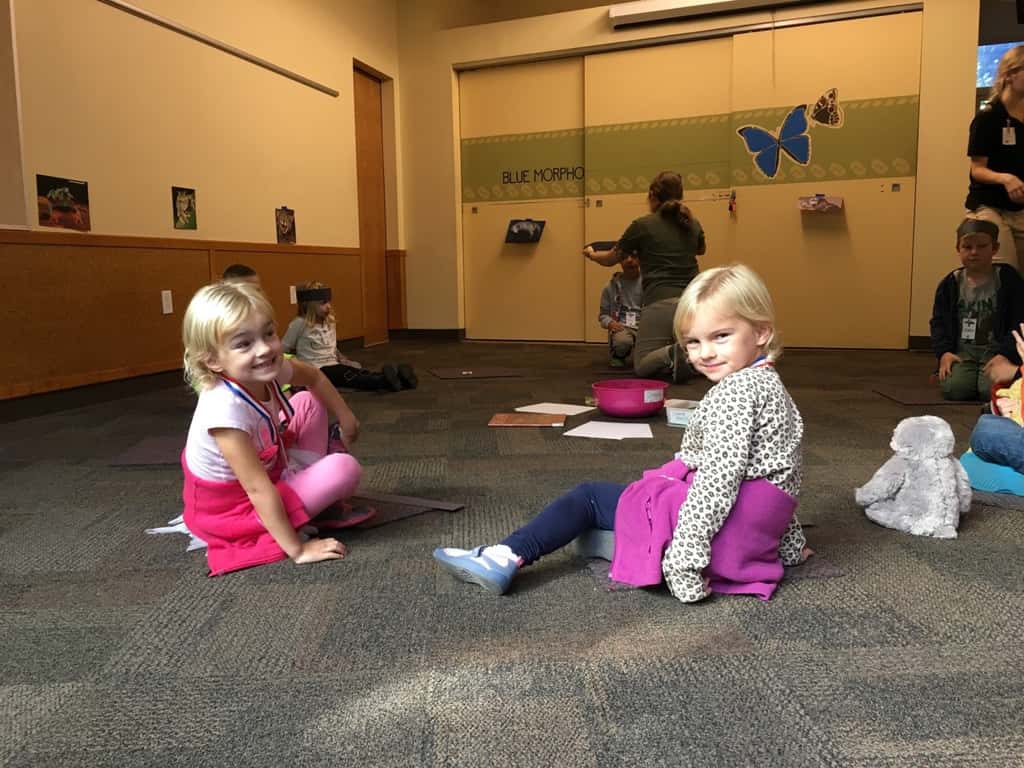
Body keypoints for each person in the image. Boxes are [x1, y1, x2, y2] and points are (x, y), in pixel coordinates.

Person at [434, 264, 811, 601]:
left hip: (724, 540)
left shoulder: (734, 394)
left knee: (590, 497)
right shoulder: (770, 385)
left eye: (721, 336)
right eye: (694, 341)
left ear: (761, 332)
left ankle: (504, 557)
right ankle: (624, 541)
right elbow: (781, 474)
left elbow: (717, 484)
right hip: (753, 536)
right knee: (625, 508)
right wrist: (790, 547)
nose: (705, 353)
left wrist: (683, 567)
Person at [181, 281, 364, 576]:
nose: (265, 349)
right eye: (244, 344)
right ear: (212, 360)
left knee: (306, 399)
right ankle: (304, 502)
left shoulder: (267, 366)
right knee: (345, 468)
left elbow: (315, 377)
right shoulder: (224, 411)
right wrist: (298, 550)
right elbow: (256, 488)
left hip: (268, 464)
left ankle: (305, 491)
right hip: (233, 508)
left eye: (268, 333)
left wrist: (346, 417)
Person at [583, 170, 706, 380]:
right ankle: (685, 353)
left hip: (660, 300)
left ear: (651, 195)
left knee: (642, 365)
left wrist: (592, 255)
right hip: (693, 303)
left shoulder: (642, 225)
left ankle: (673, 352)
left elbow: (611, 259)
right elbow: (700, 250)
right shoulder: (692, 224)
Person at [930, 218, 1024, 400]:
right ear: (958, 249)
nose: (974, 252)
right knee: (955, 389)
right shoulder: (951, 283)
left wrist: (1006, 354)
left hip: (995, 350)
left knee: (990, 390)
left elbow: (1018, 322)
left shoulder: (1008, 280)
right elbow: (938, 322)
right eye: (967, 247)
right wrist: (944, 353)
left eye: (981, 246)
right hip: (963, 351)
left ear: (994, 248)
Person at [281, 281, 418, 393]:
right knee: (348, 376)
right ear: (309, 305)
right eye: (323, 303)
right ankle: (385, 380)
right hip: (315, 369)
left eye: (329, 301)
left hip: (333, 364)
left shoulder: (330, 320)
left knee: (355, 372)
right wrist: (294, 371)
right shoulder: (299, 324)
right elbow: (283, 349)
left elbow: (331, 347)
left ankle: (397, 380)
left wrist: (342, 359)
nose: (328, 306)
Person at [966, 45, 1024, 269]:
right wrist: (1006, 179)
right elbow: (977, 169)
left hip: (1019, 208)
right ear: (1010, 74)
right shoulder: (988, 117)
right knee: (1004, 273)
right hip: (990, 206)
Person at [598, 252, 642, 368]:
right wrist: (611, 323)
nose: (629, 260)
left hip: (645, 326)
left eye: (634, 256)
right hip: (622, 327)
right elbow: (603, 316)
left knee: (647, 363)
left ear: (641, 259)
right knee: (622, 342)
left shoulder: (649, 284)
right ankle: (618, 355)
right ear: (618, 261)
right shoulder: (610, 287)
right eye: (624, 257)